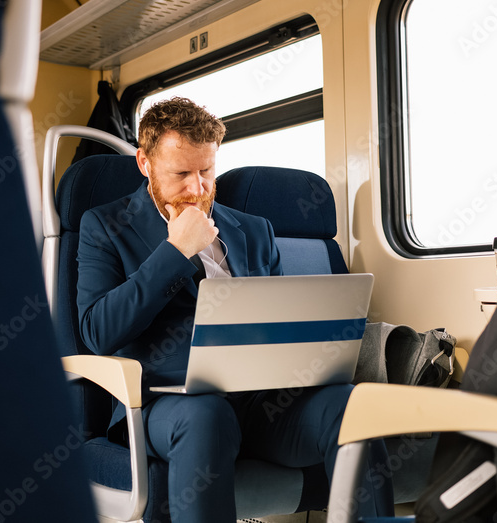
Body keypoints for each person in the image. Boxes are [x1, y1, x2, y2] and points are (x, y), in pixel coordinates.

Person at [76, 97, 386, 522]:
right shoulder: (105, 226)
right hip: (167, 405)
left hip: (262, 404)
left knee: (352, 406)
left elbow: (278, 323)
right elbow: (97, 332)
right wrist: (175, 251)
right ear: (145, 163)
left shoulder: (255, 230)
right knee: (207, 415)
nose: (197, 189)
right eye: (181, 174)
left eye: (206, 171)